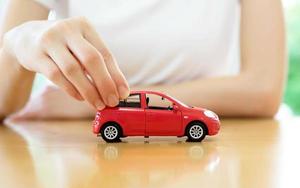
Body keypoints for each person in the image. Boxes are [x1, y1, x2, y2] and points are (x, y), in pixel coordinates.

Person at [0, 0, 286, 121]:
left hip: (218, 156)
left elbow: (262, 90)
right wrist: (16, 46)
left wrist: (99, 106)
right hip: (87, 165)